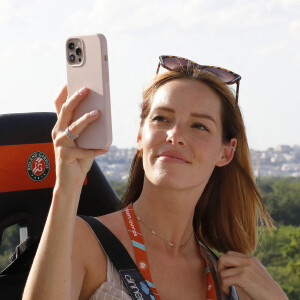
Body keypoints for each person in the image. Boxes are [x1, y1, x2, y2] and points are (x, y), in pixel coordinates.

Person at [23, 56, 288, 300]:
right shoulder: (84, 241)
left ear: (226, 152)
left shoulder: (230, 281)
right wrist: (67, 183)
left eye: (199, 125)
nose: (174, 135)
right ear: (140, 136)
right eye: (161, 118)